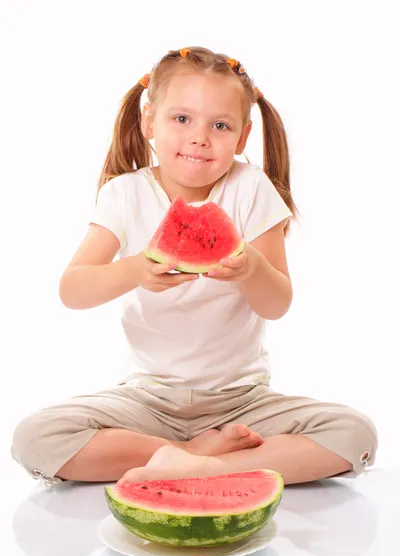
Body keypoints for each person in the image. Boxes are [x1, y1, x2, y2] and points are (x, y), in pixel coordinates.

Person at [11, 46, 377, 487]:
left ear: (242, 138)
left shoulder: (250, 188)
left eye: (219, 125)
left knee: (354, 433)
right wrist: (136, 270)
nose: (200, 137)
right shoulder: (124, 194)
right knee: (36, 438)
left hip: (241, 402)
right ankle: (189, 454)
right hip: (146, 401)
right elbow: (73, 289)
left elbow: (277, 303)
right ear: (149, 121)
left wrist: (253, 269)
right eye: (181, 119)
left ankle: (201, 467)